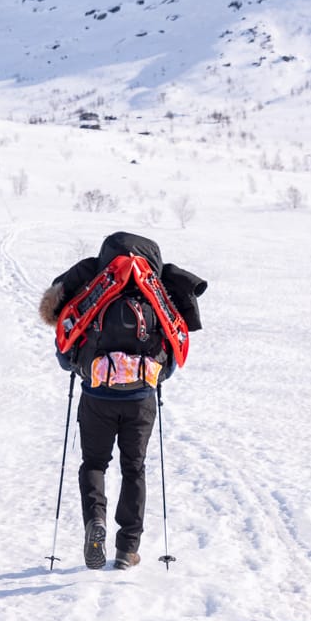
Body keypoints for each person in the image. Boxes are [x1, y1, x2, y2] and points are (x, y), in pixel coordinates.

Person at [39, 232, 205, 569]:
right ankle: (128, 548)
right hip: (141, 398)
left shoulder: (95, 290)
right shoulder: (156, 293)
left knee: (94, 464)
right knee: (134, 468)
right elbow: (173, 351)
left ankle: (94, 522)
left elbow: (65, 348)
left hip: (96, 395)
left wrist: (82, 369)